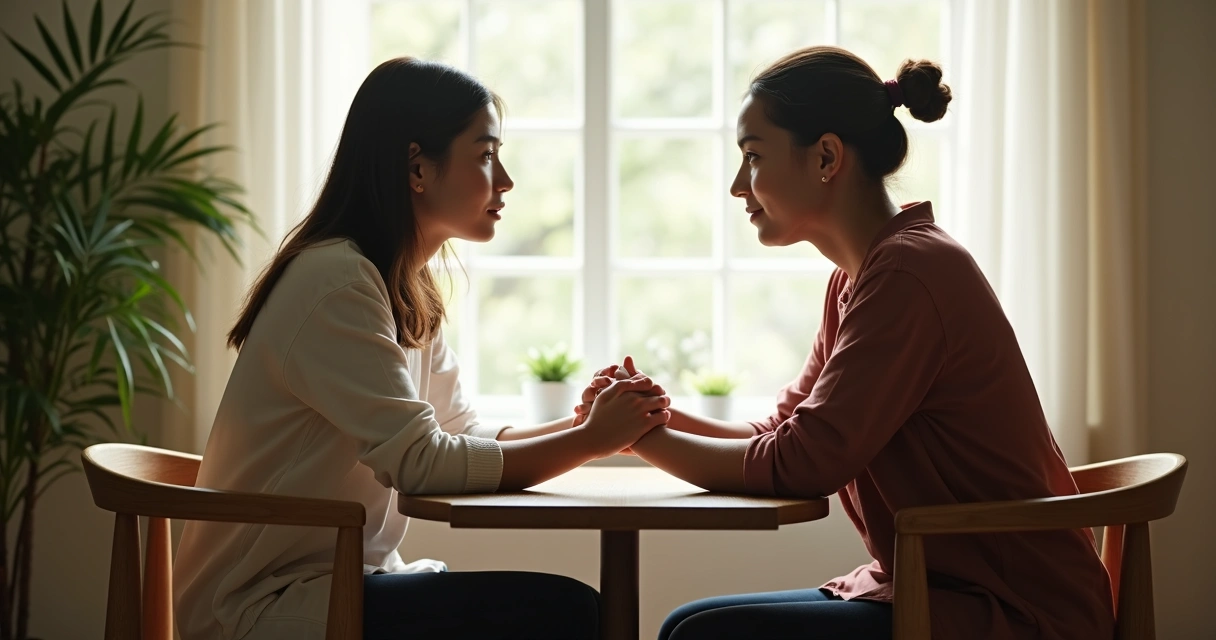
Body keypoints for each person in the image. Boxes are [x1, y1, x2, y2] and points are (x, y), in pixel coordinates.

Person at [576, 46, 1115, 640]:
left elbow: (802, 464)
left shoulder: (908, 274)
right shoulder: (860, 279)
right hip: (936, 591)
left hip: (1013, 612)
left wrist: (638, 437)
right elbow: (781, 433)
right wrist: (648, 414)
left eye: (753, 156)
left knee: (700, 635)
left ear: (827, 157)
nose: (736, 186)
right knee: (689, 625)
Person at [173, 57, 671, 640]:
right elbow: (421, 464)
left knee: (564, 608)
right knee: (565, 612)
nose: (505, 179)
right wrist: (590, 441)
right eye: (485, 155)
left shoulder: (401, 283)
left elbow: (460, 432)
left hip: (342, 582)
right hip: (260, 605)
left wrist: (581, 424)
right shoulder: (337, 281)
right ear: (417, 168)